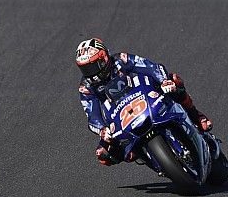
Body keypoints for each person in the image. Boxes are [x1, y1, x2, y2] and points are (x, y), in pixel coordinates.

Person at [75, 38, 212, 166]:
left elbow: (150, 67)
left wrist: (164, 81)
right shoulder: (86, 87)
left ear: (103, 59)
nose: (89, 73)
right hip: (120, 116)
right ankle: (149, 157)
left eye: (92, 67)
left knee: (175, 81)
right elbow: (92, 116)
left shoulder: (120, 60)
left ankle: (196, 116)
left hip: (144, 95)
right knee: (103, 154)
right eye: (84, 69)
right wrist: (102, 130)